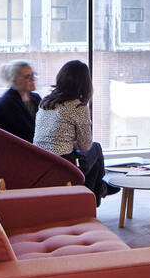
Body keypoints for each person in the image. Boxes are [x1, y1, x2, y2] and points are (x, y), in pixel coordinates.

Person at [33, 60, 116, 204]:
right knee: (96, 148)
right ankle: (98, 192)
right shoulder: (78, 107)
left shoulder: (45, 102)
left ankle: (95, 195)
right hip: (63, 166)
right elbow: (85, 146)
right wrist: (75, 144)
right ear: (85, 84)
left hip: (41, 164)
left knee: (93, 164)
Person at [0, 60, 39, 142]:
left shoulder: (35, 98)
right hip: (17, 148)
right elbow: (27, 133)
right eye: (27, 77)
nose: (33, 79)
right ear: (14, 81)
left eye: (33, 75)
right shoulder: (7, 103)